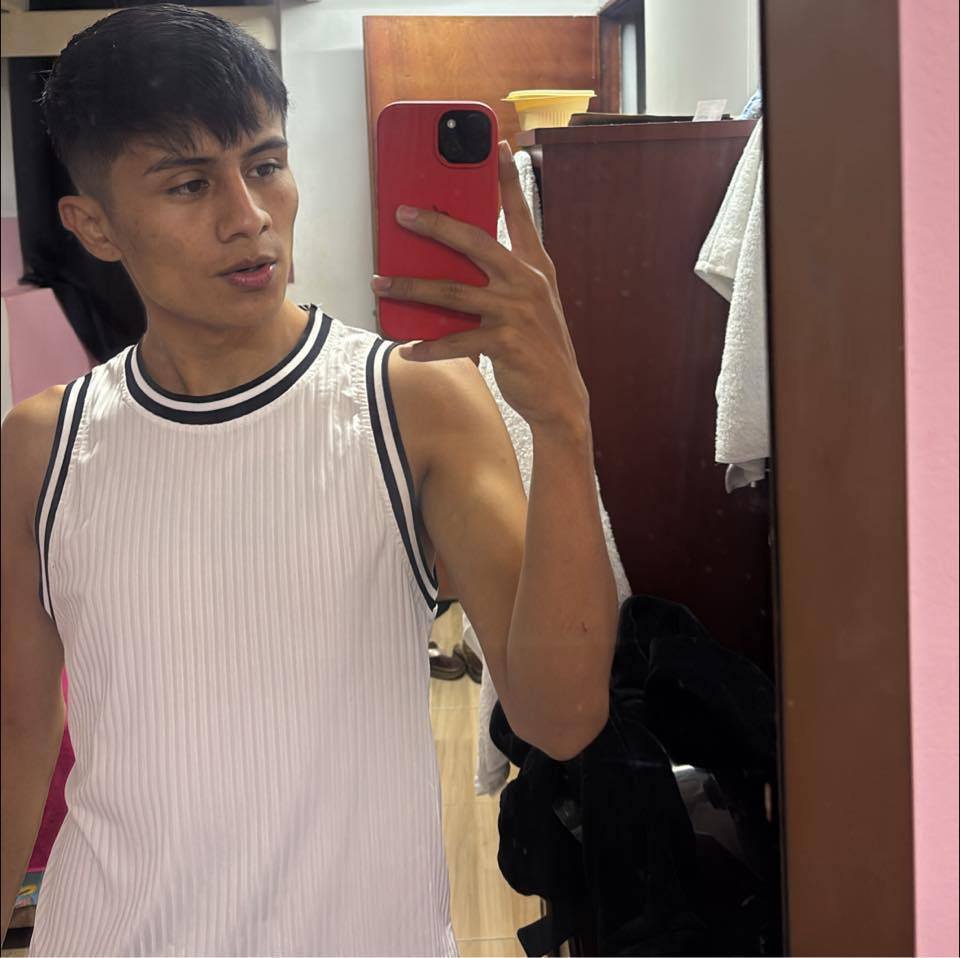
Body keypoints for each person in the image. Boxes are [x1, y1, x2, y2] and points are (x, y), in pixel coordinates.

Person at [0, 5, 618, 954]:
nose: (247, 217)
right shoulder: (43, 447)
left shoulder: (412, 402)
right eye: (189, 184)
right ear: (95, 226)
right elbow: (17, 729)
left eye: (265, 165)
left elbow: (561, 718)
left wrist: (564, 425)